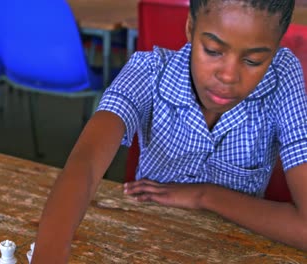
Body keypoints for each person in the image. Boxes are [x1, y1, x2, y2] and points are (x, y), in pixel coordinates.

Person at [32, 0, 307, 262]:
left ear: (274, 49)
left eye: (253, 61)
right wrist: (50, 251)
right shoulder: (148, 72)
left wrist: (204, 195)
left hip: (235, 248)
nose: (228, 76)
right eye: (212, 50)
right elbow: (86, 163)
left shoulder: (283, 75)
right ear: (190, 28)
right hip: (146, 242)